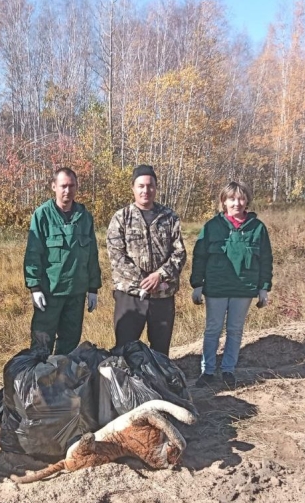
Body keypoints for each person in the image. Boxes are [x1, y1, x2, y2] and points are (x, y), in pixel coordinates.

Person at [190, 181, 273, 389]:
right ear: (223, 201)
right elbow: (199, 256)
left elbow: (265, 259)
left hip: (244, 289)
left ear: (247, 201)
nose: (237, 203)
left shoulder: (257, 228)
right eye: (232, 199)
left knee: (235, 330)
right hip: (216, 288)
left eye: (241, 198)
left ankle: (228, 370)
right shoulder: (212, 227)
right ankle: (207, 371)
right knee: (213, 330)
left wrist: (263, 287)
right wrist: (197, 284)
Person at [106, 164, 186, 355]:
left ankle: (158, 383)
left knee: (160, 350)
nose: (145, 190)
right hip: (130, 295)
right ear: (133, 188)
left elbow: (179, 252)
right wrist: (144, 282)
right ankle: (126, 384)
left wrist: (160, 276)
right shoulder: (121, 218)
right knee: (124, 349)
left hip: (162, 295)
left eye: (150, 186)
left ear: (156, 187)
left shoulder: (169, 217)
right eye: (141, 186)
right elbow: (117, 256)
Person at [23, 167, 102, 355]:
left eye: (71, 186)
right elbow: (33, 252)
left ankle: (62, 381)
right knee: (41, 343)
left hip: (76, 293)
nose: (68, 190)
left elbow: (92, 254)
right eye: (63, 186)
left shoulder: (85, 217)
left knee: (69, 345)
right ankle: (39, 381)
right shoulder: (42, 215)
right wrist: (34, 287)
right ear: (54, 187)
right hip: (50, 293)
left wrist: (93, 289)